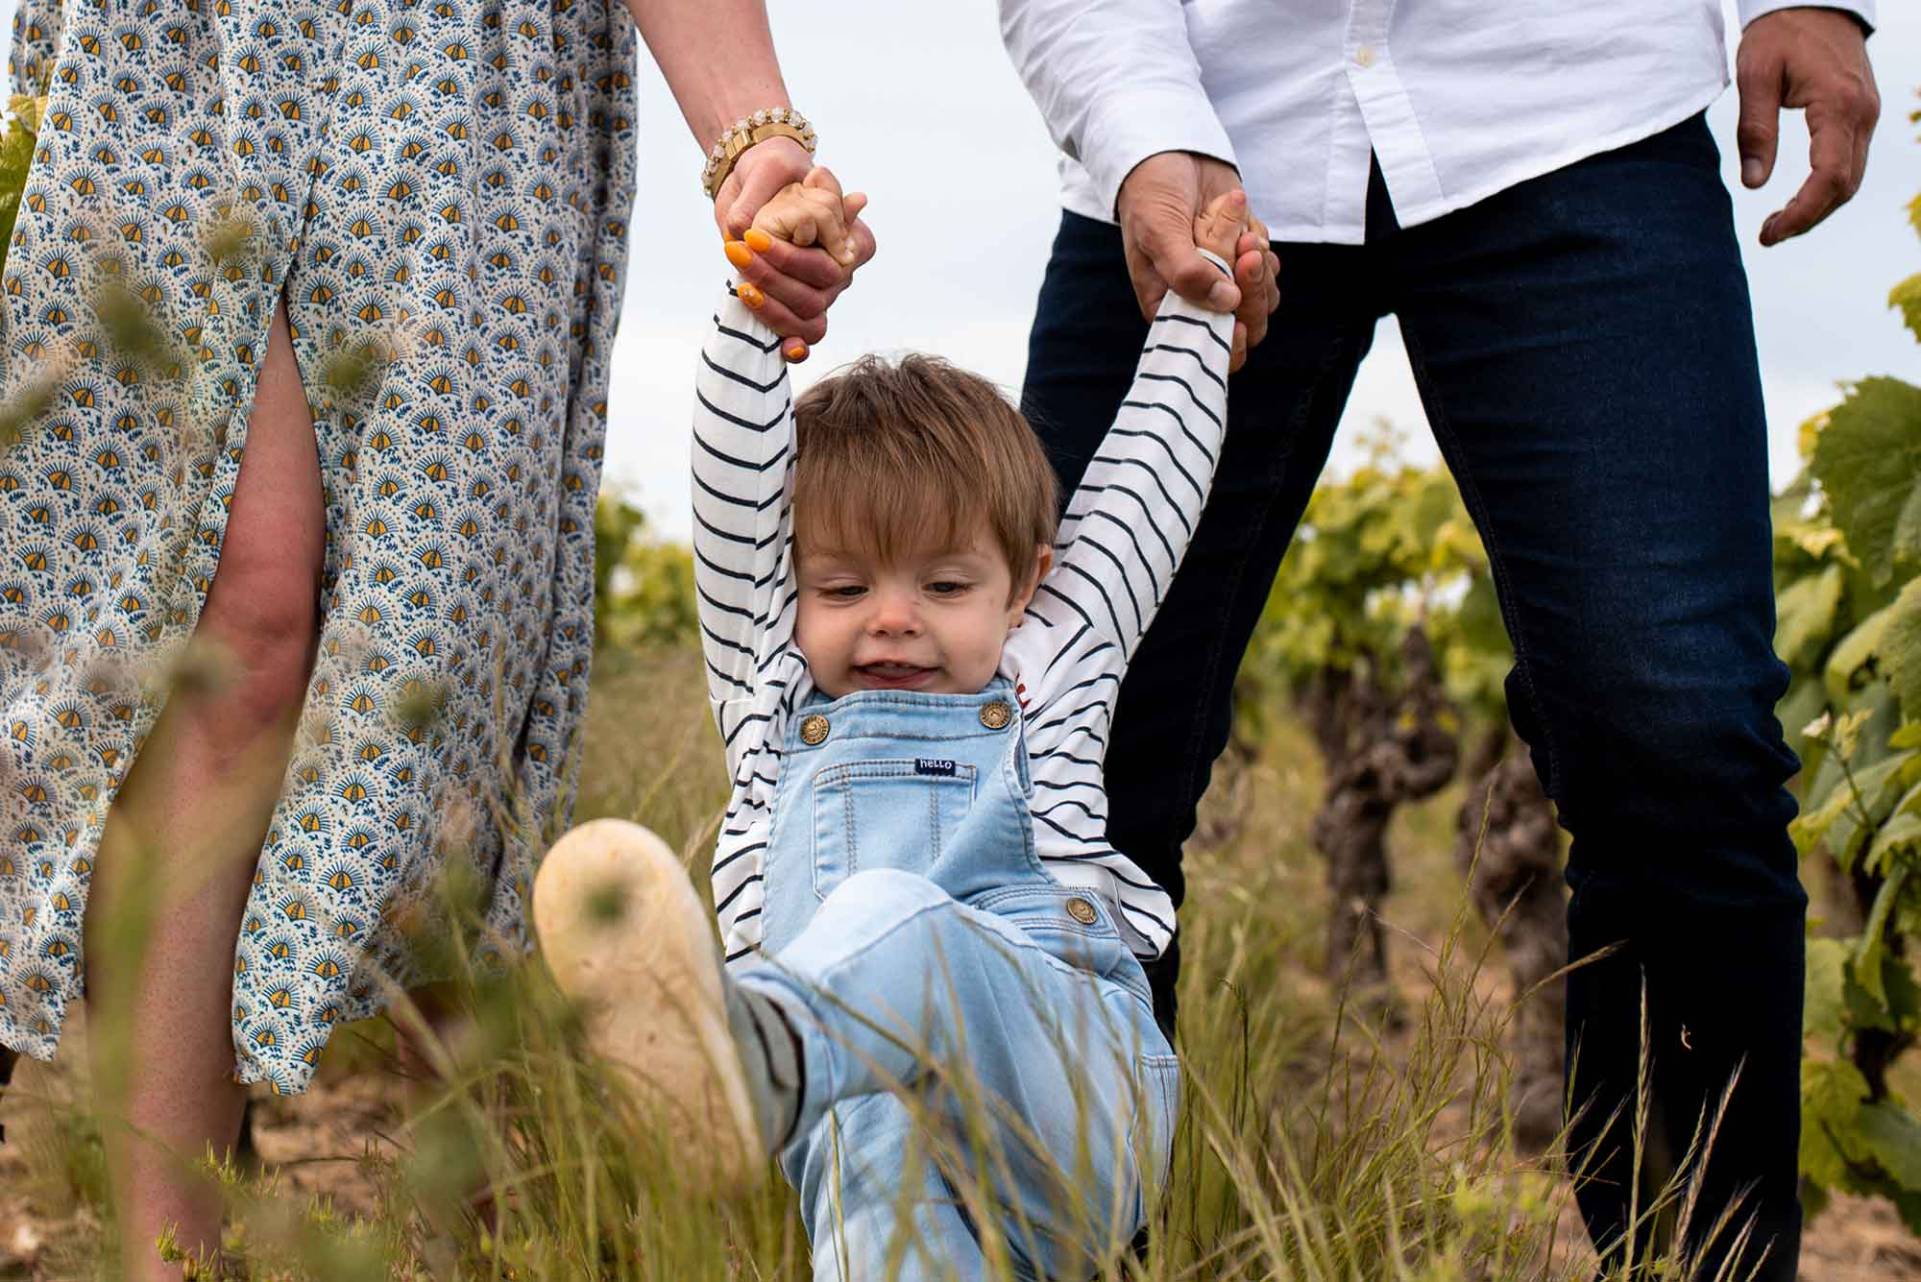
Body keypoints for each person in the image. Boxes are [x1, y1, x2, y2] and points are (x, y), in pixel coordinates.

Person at [999, 1, 1880, 1277]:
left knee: (1679, 746)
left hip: (1573, 98)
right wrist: (1138, 130)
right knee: (1050, 765)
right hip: (1198, 132)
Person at [0, 1, 871, 1275]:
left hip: (469, 77)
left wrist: (753, 136)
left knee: (440, 670)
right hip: (184, 50)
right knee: (223, 609)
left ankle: (467, 1219)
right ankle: (168, 1255)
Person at [534, 174, 1265, 1278]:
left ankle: (751, 1051)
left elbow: (1146, 481)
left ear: (1024, 585)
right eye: (840, 589)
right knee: (873, 1163)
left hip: (1065, 1092)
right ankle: (772, 1058)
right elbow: (736, 501)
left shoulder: (1052, 662)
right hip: (866, 1118)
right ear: (789, 595)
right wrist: (759, 312)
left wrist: (1199, 319)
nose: (890, 618)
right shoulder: (776, 694)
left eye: (943, 585)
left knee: (890, 916)